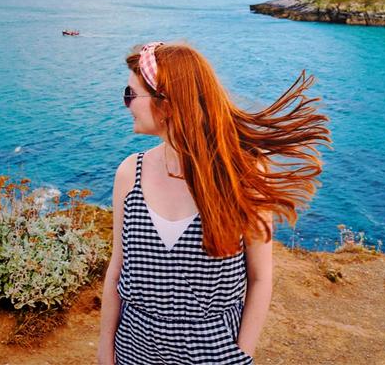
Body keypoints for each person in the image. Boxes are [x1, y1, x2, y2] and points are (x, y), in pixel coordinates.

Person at [98, 42, 329, 365]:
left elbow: (260, 278)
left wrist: (241, 356)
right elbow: (117, 269)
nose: (127, 105)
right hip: (134, 352)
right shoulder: (129, 173)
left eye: (130, 94)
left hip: (213, 356)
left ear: (168, 103)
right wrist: (104, 352)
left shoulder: (243, 175)